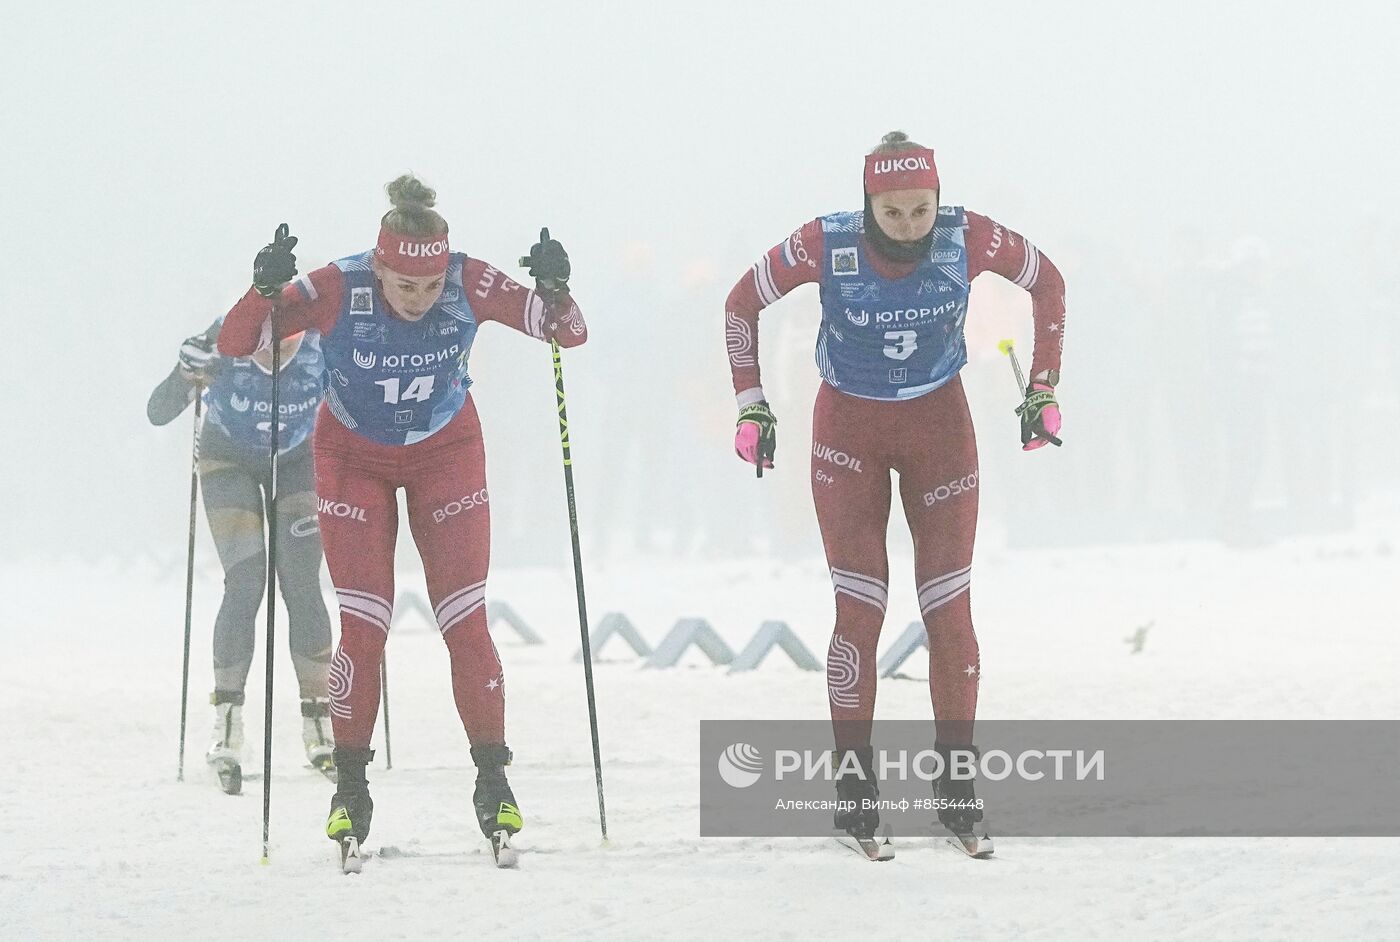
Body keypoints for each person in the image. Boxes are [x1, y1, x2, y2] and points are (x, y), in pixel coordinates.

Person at [217, 174, 588, 863]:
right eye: (403, 286)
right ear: (380, 265)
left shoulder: (467, 279)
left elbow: (569, 333)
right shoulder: (338, 285)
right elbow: (241, 342)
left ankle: (493, 780)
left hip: (445, 451)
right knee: (365, 623)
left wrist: (557, 288)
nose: (418, 300)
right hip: (351, 456)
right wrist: (261, 289)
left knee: (464, 619)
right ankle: (350, 790)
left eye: (429, 287)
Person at [722, 131, 1066, 857]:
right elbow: (738, 303)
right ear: (868, 203)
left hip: (940, 427)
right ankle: (854, 794)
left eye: (921, 211)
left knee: (949, 608)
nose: (909, 227)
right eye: (893, 212)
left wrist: (1043, 387)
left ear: (938, 201)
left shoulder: (969, 235)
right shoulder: (826, 241)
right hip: (849, 429)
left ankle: (957, 791)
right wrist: (752, 403)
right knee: (860, 607)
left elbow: (1050, 282)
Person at [146, 321, 335, 792]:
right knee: (246, 580)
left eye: (285, 343)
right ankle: (227, 727)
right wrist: (186, 372)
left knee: (300, 580)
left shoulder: (323, 338)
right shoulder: (225, 334)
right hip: (227, 457)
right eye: (260, 345)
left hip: (298, 461)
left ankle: (320, 726)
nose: (271, 353)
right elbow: (158, 411)